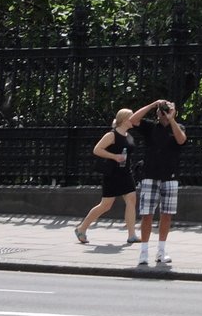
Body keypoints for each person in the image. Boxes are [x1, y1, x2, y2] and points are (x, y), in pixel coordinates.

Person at [129, 98, 186, 269]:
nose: (164, 111)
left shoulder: (178, 127)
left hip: (170, 176)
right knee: (147, 214)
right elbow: (133, 120)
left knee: (167, 214)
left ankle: (161, 251)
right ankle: (144, 251)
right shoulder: (150, 127)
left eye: (167, 109)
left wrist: (172, 119)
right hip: (150, 175)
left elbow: (181, 140)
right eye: (162, 109)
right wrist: (153, 104)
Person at [74, 108, 138, 245]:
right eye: (132, 117)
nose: (134, 119)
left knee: (131, 199)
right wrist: (114, 156)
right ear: (125, 119)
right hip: (113, 173)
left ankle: (132, 235)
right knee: (106, 205)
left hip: (126, 172)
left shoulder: (129, 135)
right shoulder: (112, 135)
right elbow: (97, 149)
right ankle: (81, 228)